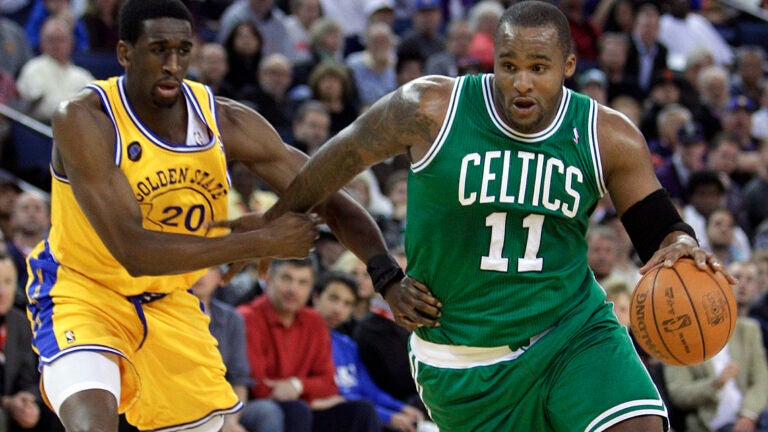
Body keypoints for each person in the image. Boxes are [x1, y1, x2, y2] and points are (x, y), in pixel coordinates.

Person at [246, 2, 733, 430]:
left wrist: (680, 246)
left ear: (567, 65)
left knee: (640, 426)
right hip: (461, 360)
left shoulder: (606, 136)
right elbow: (334, 163)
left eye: (539, 67)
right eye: (509, 65)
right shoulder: (432, 108)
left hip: (572, 330)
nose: (521, 82)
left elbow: (659, 231)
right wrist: (370, 268)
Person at [24, 0, 396, 431]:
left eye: (183, 50)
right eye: (158, 49)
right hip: (84, 292)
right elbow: (133, 250)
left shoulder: (223, 120)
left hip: (169, 303)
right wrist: (261, 241)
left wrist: (385, 273)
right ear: (125, 53)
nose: (172, 64)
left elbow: (324, 192)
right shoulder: (86, 119)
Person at [237, 258, 382, 432]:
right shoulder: (247, 317)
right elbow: (259, 388)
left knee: (361, 411)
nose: (293, 289)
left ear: (310, 287)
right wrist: (311, 398)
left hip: (301, 406)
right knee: (298, 410)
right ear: (269, 279)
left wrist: (298, 386)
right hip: (257, 408)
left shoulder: (314, 321)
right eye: (286, 278)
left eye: (302, 282)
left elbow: (329, 384)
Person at [312, 271, 426, 432]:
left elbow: (370, 390)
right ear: (316, 297)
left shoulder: (347, 345)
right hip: (335, 416)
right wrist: (388, 416)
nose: (338, 309)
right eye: (333, 299)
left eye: (347, 304)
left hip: (361, 413)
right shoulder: (306, 341)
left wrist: (401, 408)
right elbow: (336, 395)